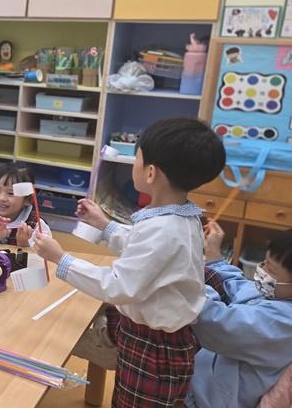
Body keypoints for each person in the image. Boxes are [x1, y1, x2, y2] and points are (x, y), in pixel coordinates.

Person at [31, 118, 226, 408]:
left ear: (151, 172)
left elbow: (118, 286)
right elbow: (144, 252)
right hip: (153, 335)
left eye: (137, 158)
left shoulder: (164, 228)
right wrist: (105, 225)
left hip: (154, 347)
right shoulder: (180, 217)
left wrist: (61, 258)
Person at [184, 224, 292, 408]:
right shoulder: (277, 293)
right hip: (199, 382)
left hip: (207, 401)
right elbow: (239, 285)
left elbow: (218, 324)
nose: (262, 270)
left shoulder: (284, 324)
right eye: (264, 262)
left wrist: (187, 280)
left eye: (271, 270)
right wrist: (214, 257)